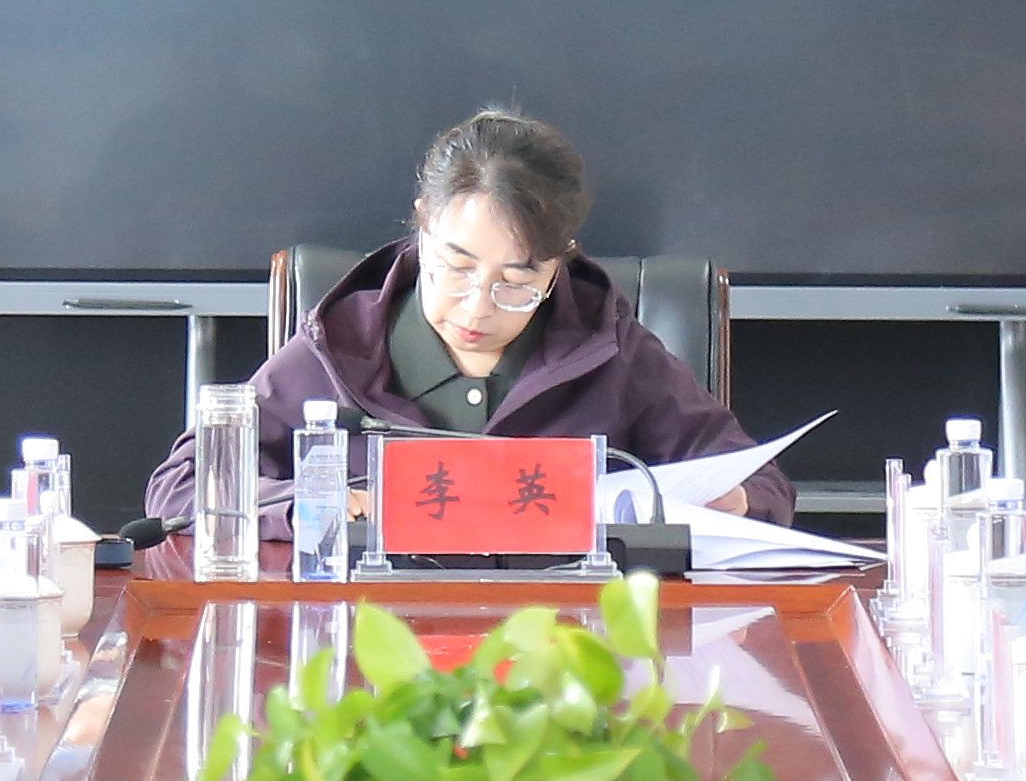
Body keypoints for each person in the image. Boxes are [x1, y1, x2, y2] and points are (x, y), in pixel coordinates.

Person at [147, 108, 775, 522]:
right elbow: (181, 488)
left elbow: (764, 485)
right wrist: (322, 502)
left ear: (560, 260)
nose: (478, 306)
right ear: (424, 223)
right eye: (455, 266)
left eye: (517, 281)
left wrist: (732, 502)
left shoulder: (611, 349)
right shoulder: (341, 347)